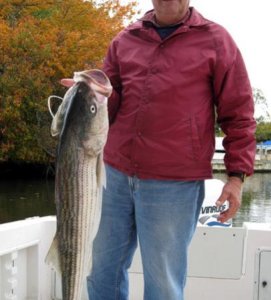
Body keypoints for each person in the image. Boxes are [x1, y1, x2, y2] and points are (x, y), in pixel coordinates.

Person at [63, 1, 256, 299]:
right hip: (112, 174)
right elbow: (110, 102)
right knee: (101, 270)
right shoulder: (126, 39)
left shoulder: (216, 41)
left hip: (174, 182)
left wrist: (236, 176)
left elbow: (239, 113)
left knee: (163, 283)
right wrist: (86, 96)